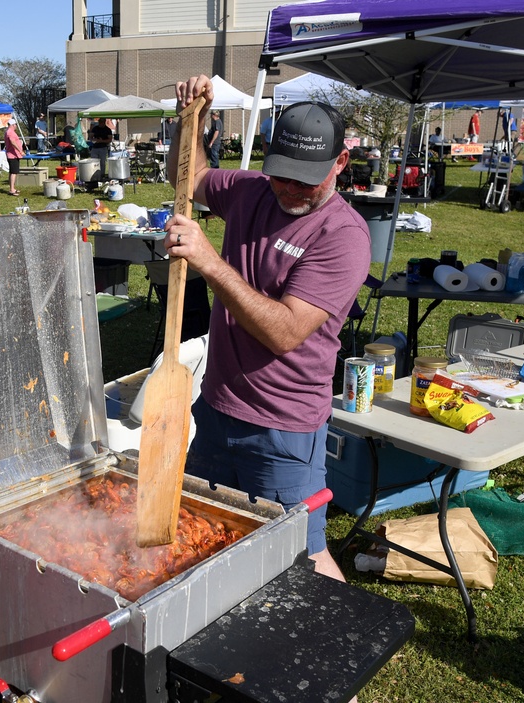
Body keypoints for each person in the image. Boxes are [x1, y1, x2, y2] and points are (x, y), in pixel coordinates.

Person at [166, 75, 370, 584]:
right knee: (205, 530)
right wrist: (191, 118)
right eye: (282, 175)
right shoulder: (250, 191)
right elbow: (187, 179)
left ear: (339, 163)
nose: (291, 189)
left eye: (306, 179)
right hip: (216, 409)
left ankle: (334, 656)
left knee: (302, 555)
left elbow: (284, 333)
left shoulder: (343, 237)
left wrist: (211, 264)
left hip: (283, 427)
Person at [89, 117, 113, 186]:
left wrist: (101, 141)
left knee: (102, 162)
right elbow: (90, 136)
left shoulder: (107, 130)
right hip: (95, 147)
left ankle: (101, 175)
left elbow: (110, 139)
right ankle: (93, 175)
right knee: (93, 161)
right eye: (100, 122)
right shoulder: (95, 128)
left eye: (102, 122)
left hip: (103, 147)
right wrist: (93, 139)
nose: (101, 123)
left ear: (104, 122)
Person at [4, 118, 24, 196]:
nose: (16, 126)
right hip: (13, 155)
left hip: (13, 155)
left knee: (12, 172)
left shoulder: (9, 132)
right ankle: (12, 190)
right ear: (12, 125)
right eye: (15, 124)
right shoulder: (10, 132)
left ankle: (12, 188)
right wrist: (20, 150)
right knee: (13, 172)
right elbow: (13, 142)